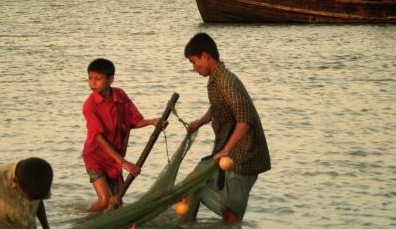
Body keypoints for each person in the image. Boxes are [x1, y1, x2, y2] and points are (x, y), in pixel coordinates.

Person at [182, 33, 271, 224]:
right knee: (191, 184)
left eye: (193, 62)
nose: (193, 68)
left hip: (245, 155)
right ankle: (188, 225)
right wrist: (200, 122)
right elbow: (217, 106)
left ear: (205, 56)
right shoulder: (216, 80)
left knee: (230, 212)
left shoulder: (226, 82)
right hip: (228, 152)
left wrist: (226, 151)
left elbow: (244, 120)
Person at [82, 58, 166, 211]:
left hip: (114, 158)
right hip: (95, 157)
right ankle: (83, 220)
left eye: (98, 79)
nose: (92, 83)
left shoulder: (120, 96)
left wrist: (153, 122)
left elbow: (134, 121)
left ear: (110, 80)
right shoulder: (90, 106)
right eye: (90, 78)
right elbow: (99, 138)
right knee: (104, 200)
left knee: (117, 202)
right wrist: (124, 163)